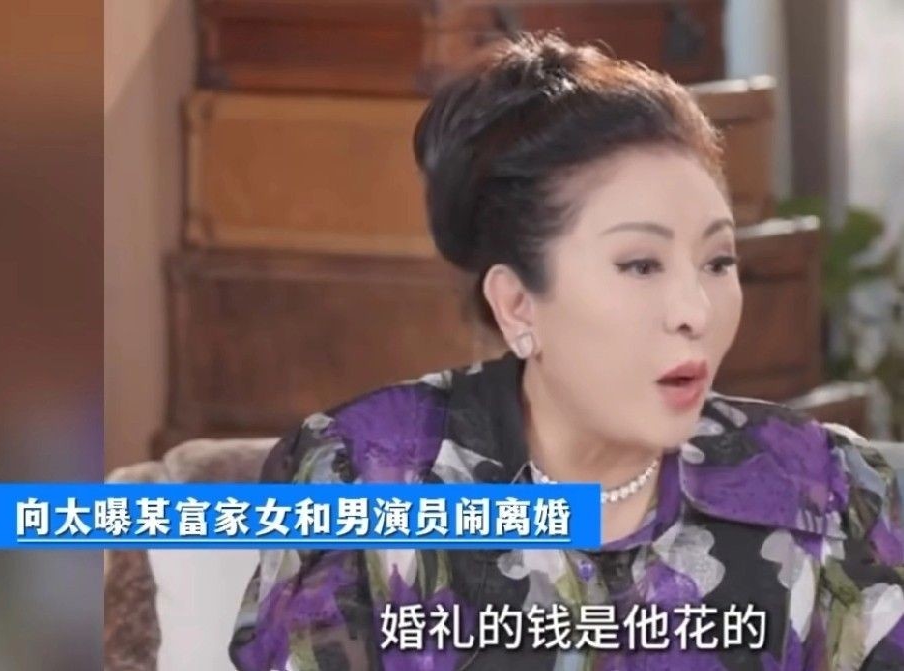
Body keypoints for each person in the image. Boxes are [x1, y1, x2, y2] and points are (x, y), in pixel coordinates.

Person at [229, 32, 904, 671]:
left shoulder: (827, 488)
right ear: (518, 304)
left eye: (717, 261)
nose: (695, 311)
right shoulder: (361, 477)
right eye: (640, 265)